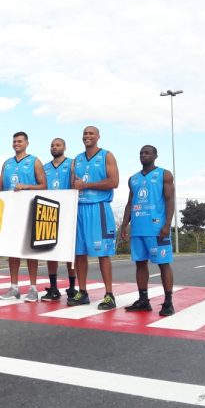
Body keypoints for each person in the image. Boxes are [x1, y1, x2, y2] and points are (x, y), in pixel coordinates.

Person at [68, 126, 119, 310]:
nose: (87, 136)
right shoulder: (77, 159)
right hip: (80, 208)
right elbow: (73, 185)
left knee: (103, 253)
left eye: (91, 133)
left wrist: (86, 185)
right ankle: (82, 292)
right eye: (85, 133)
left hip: (98, 207)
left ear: (98, 136)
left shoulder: (107, 155)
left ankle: (109, 295)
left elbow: (114, 182)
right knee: (79, 253)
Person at [121, 145, 176, 316]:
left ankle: (168, 302)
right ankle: (143, 300)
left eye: (147, 153)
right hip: (138, 229)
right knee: (140, 264)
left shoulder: (164, 174)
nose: (143, 155)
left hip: (157, 229)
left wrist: (167, 224)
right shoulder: (133, 179)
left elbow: (170, 200)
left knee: (163, 264)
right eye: (141, 153)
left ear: (155, 156)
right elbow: (130, 203)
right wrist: (124, 225)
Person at [0, 131, 47, 302]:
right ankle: (14, 288)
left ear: (27, 143)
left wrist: (26, 187)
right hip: (11, 212)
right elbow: (2, 190)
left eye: (20, 141)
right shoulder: (7, 163)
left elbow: (44, 186)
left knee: (30, 250)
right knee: (12, 250)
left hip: (29, 209)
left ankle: (33, 289)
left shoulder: (35, 161)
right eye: (14, 141)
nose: (16, 143)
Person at [40, 137, 77, 302]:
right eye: (52, 145)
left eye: (58, 145)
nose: (54, 147)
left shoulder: (72, 164)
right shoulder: (45, 167)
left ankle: (72, 287)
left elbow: (75, 185)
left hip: (67, 211)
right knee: (51, 250)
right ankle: (53, 287)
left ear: (64, 147)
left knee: (69, 251)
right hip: (49, 211)